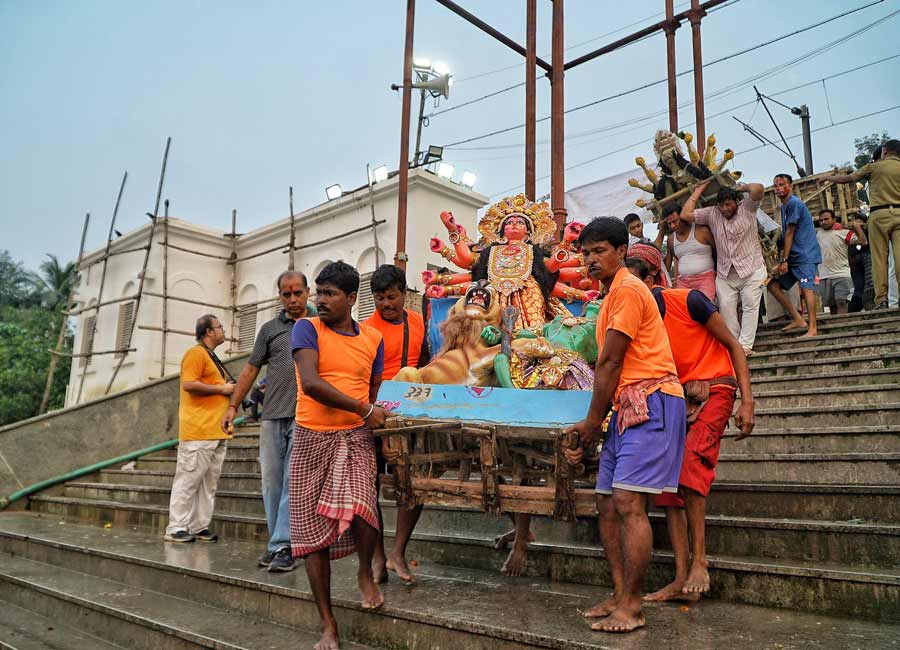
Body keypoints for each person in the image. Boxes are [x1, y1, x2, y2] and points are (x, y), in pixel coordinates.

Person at [563, 217, 686, 634]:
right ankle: (619, 595)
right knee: (606, 503)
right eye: (586, 253)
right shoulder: (609, 296)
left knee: (629, 502)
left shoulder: (630, 290)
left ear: (620, 251)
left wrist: (591, 423)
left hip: (651, 400)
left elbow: (611, 362)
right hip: (625, 406)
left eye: (599, 251)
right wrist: (596, 420)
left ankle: (632, 606)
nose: (591, 259)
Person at [623, 259, 754, 603]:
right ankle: (681, 577)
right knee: (667, 484)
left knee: (689, 469)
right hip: (677, 396)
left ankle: (700, 563)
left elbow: (734, 346)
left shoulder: (690, 301)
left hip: (717, 386)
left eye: (634, 281)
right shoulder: (636, 320)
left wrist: (748, 402)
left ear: (653, 279)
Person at [290, 261, 387, 650]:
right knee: (312, 536)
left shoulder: (373, 338)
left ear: (351, 298)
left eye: (330, 293)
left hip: (356, 437)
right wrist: (365, 409)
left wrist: (376, 412)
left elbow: (376, 387)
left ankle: (365, 571)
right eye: (319, 292)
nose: (320, 300)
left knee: (365, 507)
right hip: (311, 437)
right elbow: (311, 384)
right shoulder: (305, 328)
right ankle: (327, 623)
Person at [221, 270, 313, 572]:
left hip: (306, 415)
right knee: (271, 483)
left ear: (307, 292)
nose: (292, 299)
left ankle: (284, 545)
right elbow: (249, 369)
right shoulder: (270, 329)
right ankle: (278, 543)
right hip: (272, 415)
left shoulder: (319, 325)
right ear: (279, 296)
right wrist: (233, 405)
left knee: (291, 482)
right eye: (286, 294)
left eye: (297, 293)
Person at [362, 264, 430, 584]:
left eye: (391, 297)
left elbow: (427, 365)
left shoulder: (419, 323)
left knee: (414, 486)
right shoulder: (365, 330)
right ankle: (376, 556)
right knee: (370, 489)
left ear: (405, 294)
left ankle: (397, 553)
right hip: (374, 416)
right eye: (379, 298)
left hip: (413, 416)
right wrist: (375, 424)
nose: (386, 304)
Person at [164, 314, 234, 543]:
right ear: (209, 332)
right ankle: (176, 527)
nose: (223, 330)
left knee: (208, 484)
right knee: (188, 480)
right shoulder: (195, 353)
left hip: (216, 429)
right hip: (199, 430)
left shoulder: (210, 355)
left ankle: (198, 526)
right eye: (219, 327)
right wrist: (223, 390)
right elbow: (189, 384)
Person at [680, 180, 767, 355]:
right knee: (726, 307)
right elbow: (685, 214)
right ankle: (734, 346)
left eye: (728, 204)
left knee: (750, 304)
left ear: (737, 201)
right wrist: (699, 190)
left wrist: (739, 188)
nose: (725, 209)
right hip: (726, 273)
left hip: (752, 268)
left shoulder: (748, 208)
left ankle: (746, 346)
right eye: (721, 205)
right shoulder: (712, 213)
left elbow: (758, 189)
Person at [825, 139, 900, 309]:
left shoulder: (874, 167)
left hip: (879, 215)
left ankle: (881, 300)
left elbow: (849, 178)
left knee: (879, 260)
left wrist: (828, 177)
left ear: (885, 151)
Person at [767, 174, 822, 337]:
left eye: (782, 184)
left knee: (807, 288)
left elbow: (790, 232)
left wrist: (784, 259)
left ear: (790, 186)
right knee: (772, 285)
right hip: (794, 257)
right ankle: (798, 319)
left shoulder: (794, 203)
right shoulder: (784, 206)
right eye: (776, 185)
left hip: (805, 255)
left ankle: (813, 328)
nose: (778, 187)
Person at [816, 209, 868, 315]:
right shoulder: (817, 234)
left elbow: (863, 242)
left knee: (841, 302)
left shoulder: (844, 232)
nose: (823, 222)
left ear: (834, 219)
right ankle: (837, 329)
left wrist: (857, 227)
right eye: (821, 220)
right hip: (824, 276)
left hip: (842, 274)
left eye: (826, 219)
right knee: (832, 307)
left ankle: (843, 327)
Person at [663, 203, 717, 301]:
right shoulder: (671, 240)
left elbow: (716, 252)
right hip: (684, 282)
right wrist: (661, 231)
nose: (673, 226)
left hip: (705, 278)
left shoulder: (702, 231)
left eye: (675, 221)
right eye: (669, 224)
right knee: (682, 309)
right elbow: (667, 265)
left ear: (683, 217)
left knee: (705, 307)